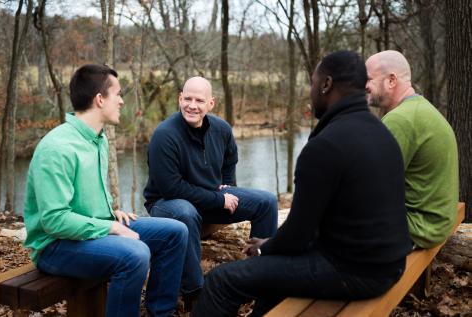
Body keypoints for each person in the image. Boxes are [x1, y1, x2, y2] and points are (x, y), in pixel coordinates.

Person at [191, 51, 412, 317]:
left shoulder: (326, 145)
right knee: (272, 270)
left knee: (220, 281)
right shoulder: (381, 133)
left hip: (355, 272)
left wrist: (265, 247)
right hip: (388, 263)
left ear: (326, 84)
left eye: (313, 83)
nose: (311, 91)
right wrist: (272, 246)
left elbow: (298, 234)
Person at [23, 64, 188, 317]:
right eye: (118, 94)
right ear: (100, 99)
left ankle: (160, 312)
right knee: (135, 254)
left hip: (92, 230)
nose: (122, 101)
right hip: (55, 246)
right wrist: (111, 227)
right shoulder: (57, 148)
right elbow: (55, 221)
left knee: (175, 232)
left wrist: (110, 214)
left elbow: (84, 200)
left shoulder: (98, 139)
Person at [143, 76, 278, 309]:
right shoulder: (165, 135)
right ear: (179, 98)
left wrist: (226, 184)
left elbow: (229, 160)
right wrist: (218, 198)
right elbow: (171, 188)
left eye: (199, 100)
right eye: (187, 98)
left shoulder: (222, 129)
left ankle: (260, 278)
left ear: (211, 104)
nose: (192, 105)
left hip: (209, 199)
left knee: (267, 201)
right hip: (167, 203)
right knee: (186, 213)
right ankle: (196, 294)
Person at [365, 50, 459, 249]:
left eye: (368, 79)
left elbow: (371, 186)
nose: (363, 86)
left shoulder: (400, 119)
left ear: (391, 80)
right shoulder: (421, 108)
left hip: (418, 228)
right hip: (436, 221)